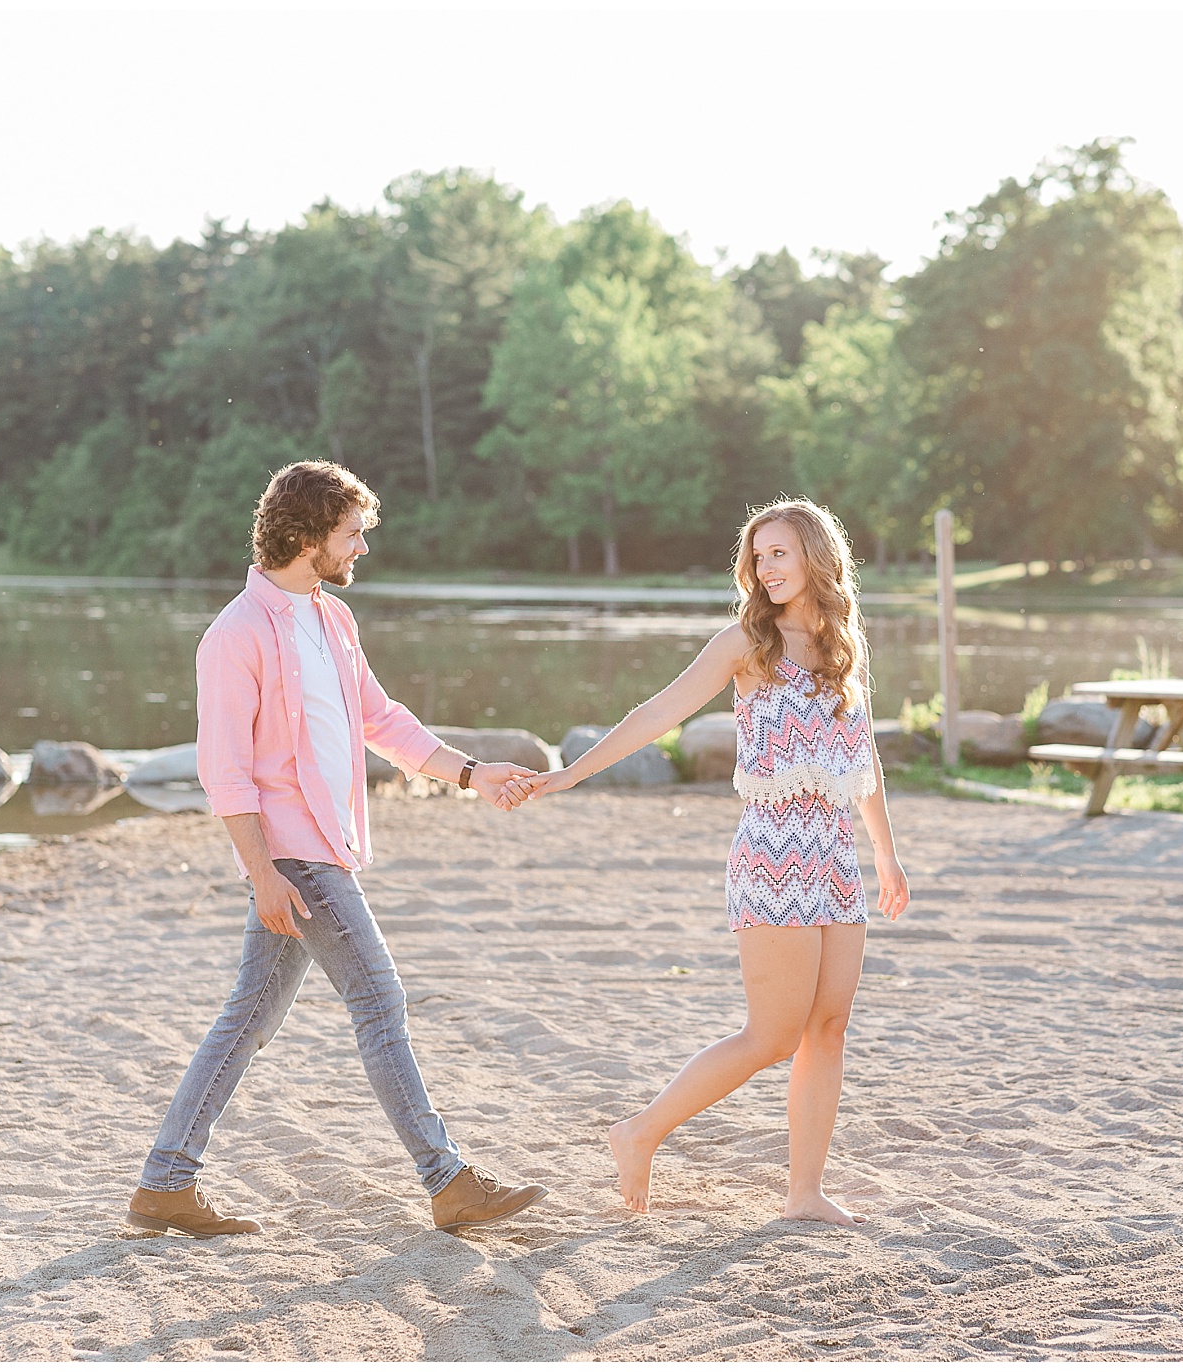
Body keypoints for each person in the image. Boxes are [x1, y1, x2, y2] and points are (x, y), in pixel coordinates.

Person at [129, 460, 549, 1237]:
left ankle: (165, 1182)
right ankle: (447, 1179)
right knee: (379, 1001)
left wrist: (471, 771)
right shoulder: (235, 637)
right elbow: (224, 775)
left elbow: (380, 719)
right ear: (307, 534)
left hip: (323, 848)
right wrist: (262, 873)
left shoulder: (332, 620)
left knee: (249, 1016)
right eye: (352, 533)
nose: (361, 548)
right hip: (293, 857)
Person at [511, 498, 909, 1225]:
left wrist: (886, 853)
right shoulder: (745, 645)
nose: (767, 568)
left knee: (828, 1028)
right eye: (759, 557)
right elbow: (658, 713)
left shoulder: (845, 643)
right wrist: (569, 773)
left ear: (818, 556)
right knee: (773, 1034)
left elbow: (866, 752)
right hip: (772, 857)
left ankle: (804, 1193)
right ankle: (639, 1131)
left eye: (780, 552)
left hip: (835, 859)